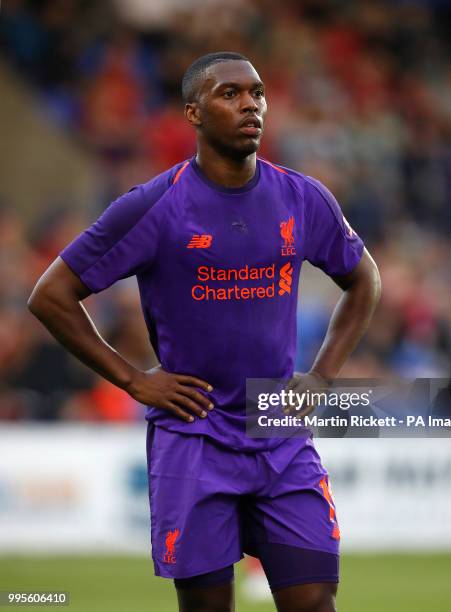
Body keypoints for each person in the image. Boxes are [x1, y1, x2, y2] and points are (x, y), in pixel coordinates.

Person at [28, 52, 381, 612]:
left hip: (277, 429)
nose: (251, 105)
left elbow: (365, 281)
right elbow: (50, 296)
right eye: (230, 94)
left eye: (258, 93)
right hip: (193, 434)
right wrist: (133, 379)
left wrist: (321, 376)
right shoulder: (153, 205)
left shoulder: (302, 197)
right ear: (193, 114)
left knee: (315, 601)